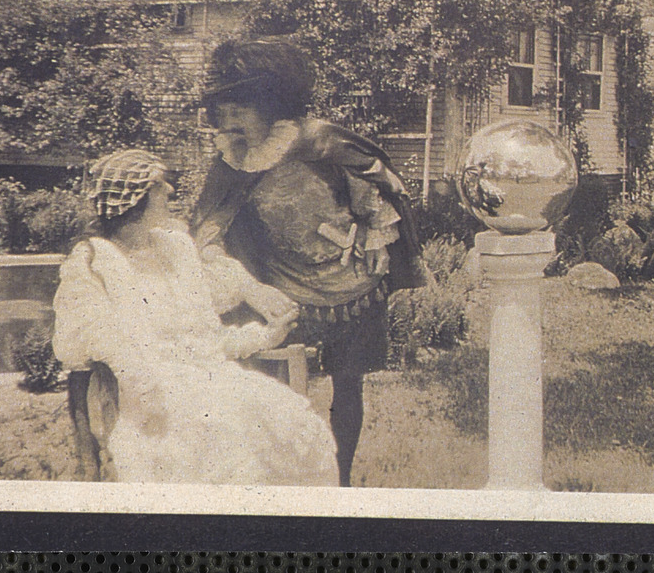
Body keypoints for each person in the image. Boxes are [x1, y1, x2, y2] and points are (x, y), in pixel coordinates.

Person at [189, 36, 429, 487]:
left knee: (348, 384)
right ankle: (276, 480)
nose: (229, 119)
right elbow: (208, 228)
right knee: (264, 382)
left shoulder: (320, 141)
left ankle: (339, 481)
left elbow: (377, 187)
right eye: (224, 109)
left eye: (240, 108)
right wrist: (240, 279)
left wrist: (374, 235)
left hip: (350, 283)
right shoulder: (231, 160)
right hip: (280, 284)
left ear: (270, 103)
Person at [52, 149, 339, 486]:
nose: (170, 191)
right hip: (151, 395)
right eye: (160, 184)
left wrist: (264, 336)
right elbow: (99, 346)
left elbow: (205, 338)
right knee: (227, 434)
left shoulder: (175, 250)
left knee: (289, 420)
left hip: (210, 378)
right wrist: (151, 390)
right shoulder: (95, 262)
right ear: (135, 196)